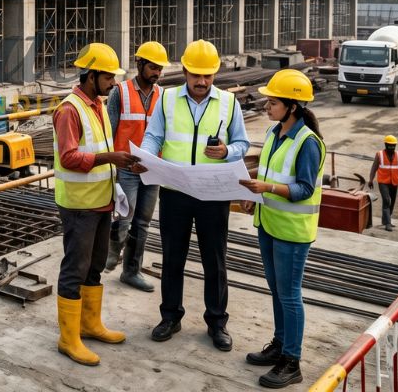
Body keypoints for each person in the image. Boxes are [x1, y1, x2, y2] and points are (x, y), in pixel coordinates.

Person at [139, 39, 250, 352]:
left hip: (213, 195)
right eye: (196, 75)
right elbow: (153, 136)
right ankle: (170, 316)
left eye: (208, 76)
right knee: (172, 259)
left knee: (215, 261)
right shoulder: (167, 99)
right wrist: (146, 157)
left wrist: (228, 150)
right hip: (175, 192)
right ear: (185, 71)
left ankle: (217, 322)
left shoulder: (229, 104)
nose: (202, 82)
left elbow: (243, 144)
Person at [237, 69, 326, 388]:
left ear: (292, 106)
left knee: (289, 295)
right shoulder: (277, 133)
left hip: (292, 231)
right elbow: (271, 173)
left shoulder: (308, 143)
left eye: (272, 102)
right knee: (277, 290)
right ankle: (280, 344)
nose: (266, 106)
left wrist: (267, 188)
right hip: (269, 223)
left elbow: (303, 189)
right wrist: (254, 198)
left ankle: (292, 361)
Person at [52, 43, 137, 366]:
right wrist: (110, 157)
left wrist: (120, 168)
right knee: (75, 267)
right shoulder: (70, 109)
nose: (113, 83)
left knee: (95, 265)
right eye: (108, 77)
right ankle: (68, 338)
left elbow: (99, 149)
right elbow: (69, 156)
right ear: (91, 75)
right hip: (79, 206)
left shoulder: (97, 105)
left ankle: (89, 324)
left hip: (101, 202)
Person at [105, 41, 168, 291]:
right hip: (126, 169)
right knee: (123, 218)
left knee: (142, 222)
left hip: (151, 170)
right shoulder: (119, 92)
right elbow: (109, 132)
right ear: (140, 64)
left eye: (160, 69)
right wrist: (110, 162)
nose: (157, 73)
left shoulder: (163, 96)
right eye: (153, 67)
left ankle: (131, 271)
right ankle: (111, 253)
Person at [368, 135, 398, 231]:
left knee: (392, 202)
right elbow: (374, 168)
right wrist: (371, 180)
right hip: (383, 182)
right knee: (387, 200)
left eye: (393, 146)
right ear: (385, 145)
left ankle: (386, 219)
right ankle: (388, 223)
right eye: (389, 145)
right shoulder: (379, 154)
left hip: (394, 182)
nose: (391, 147)